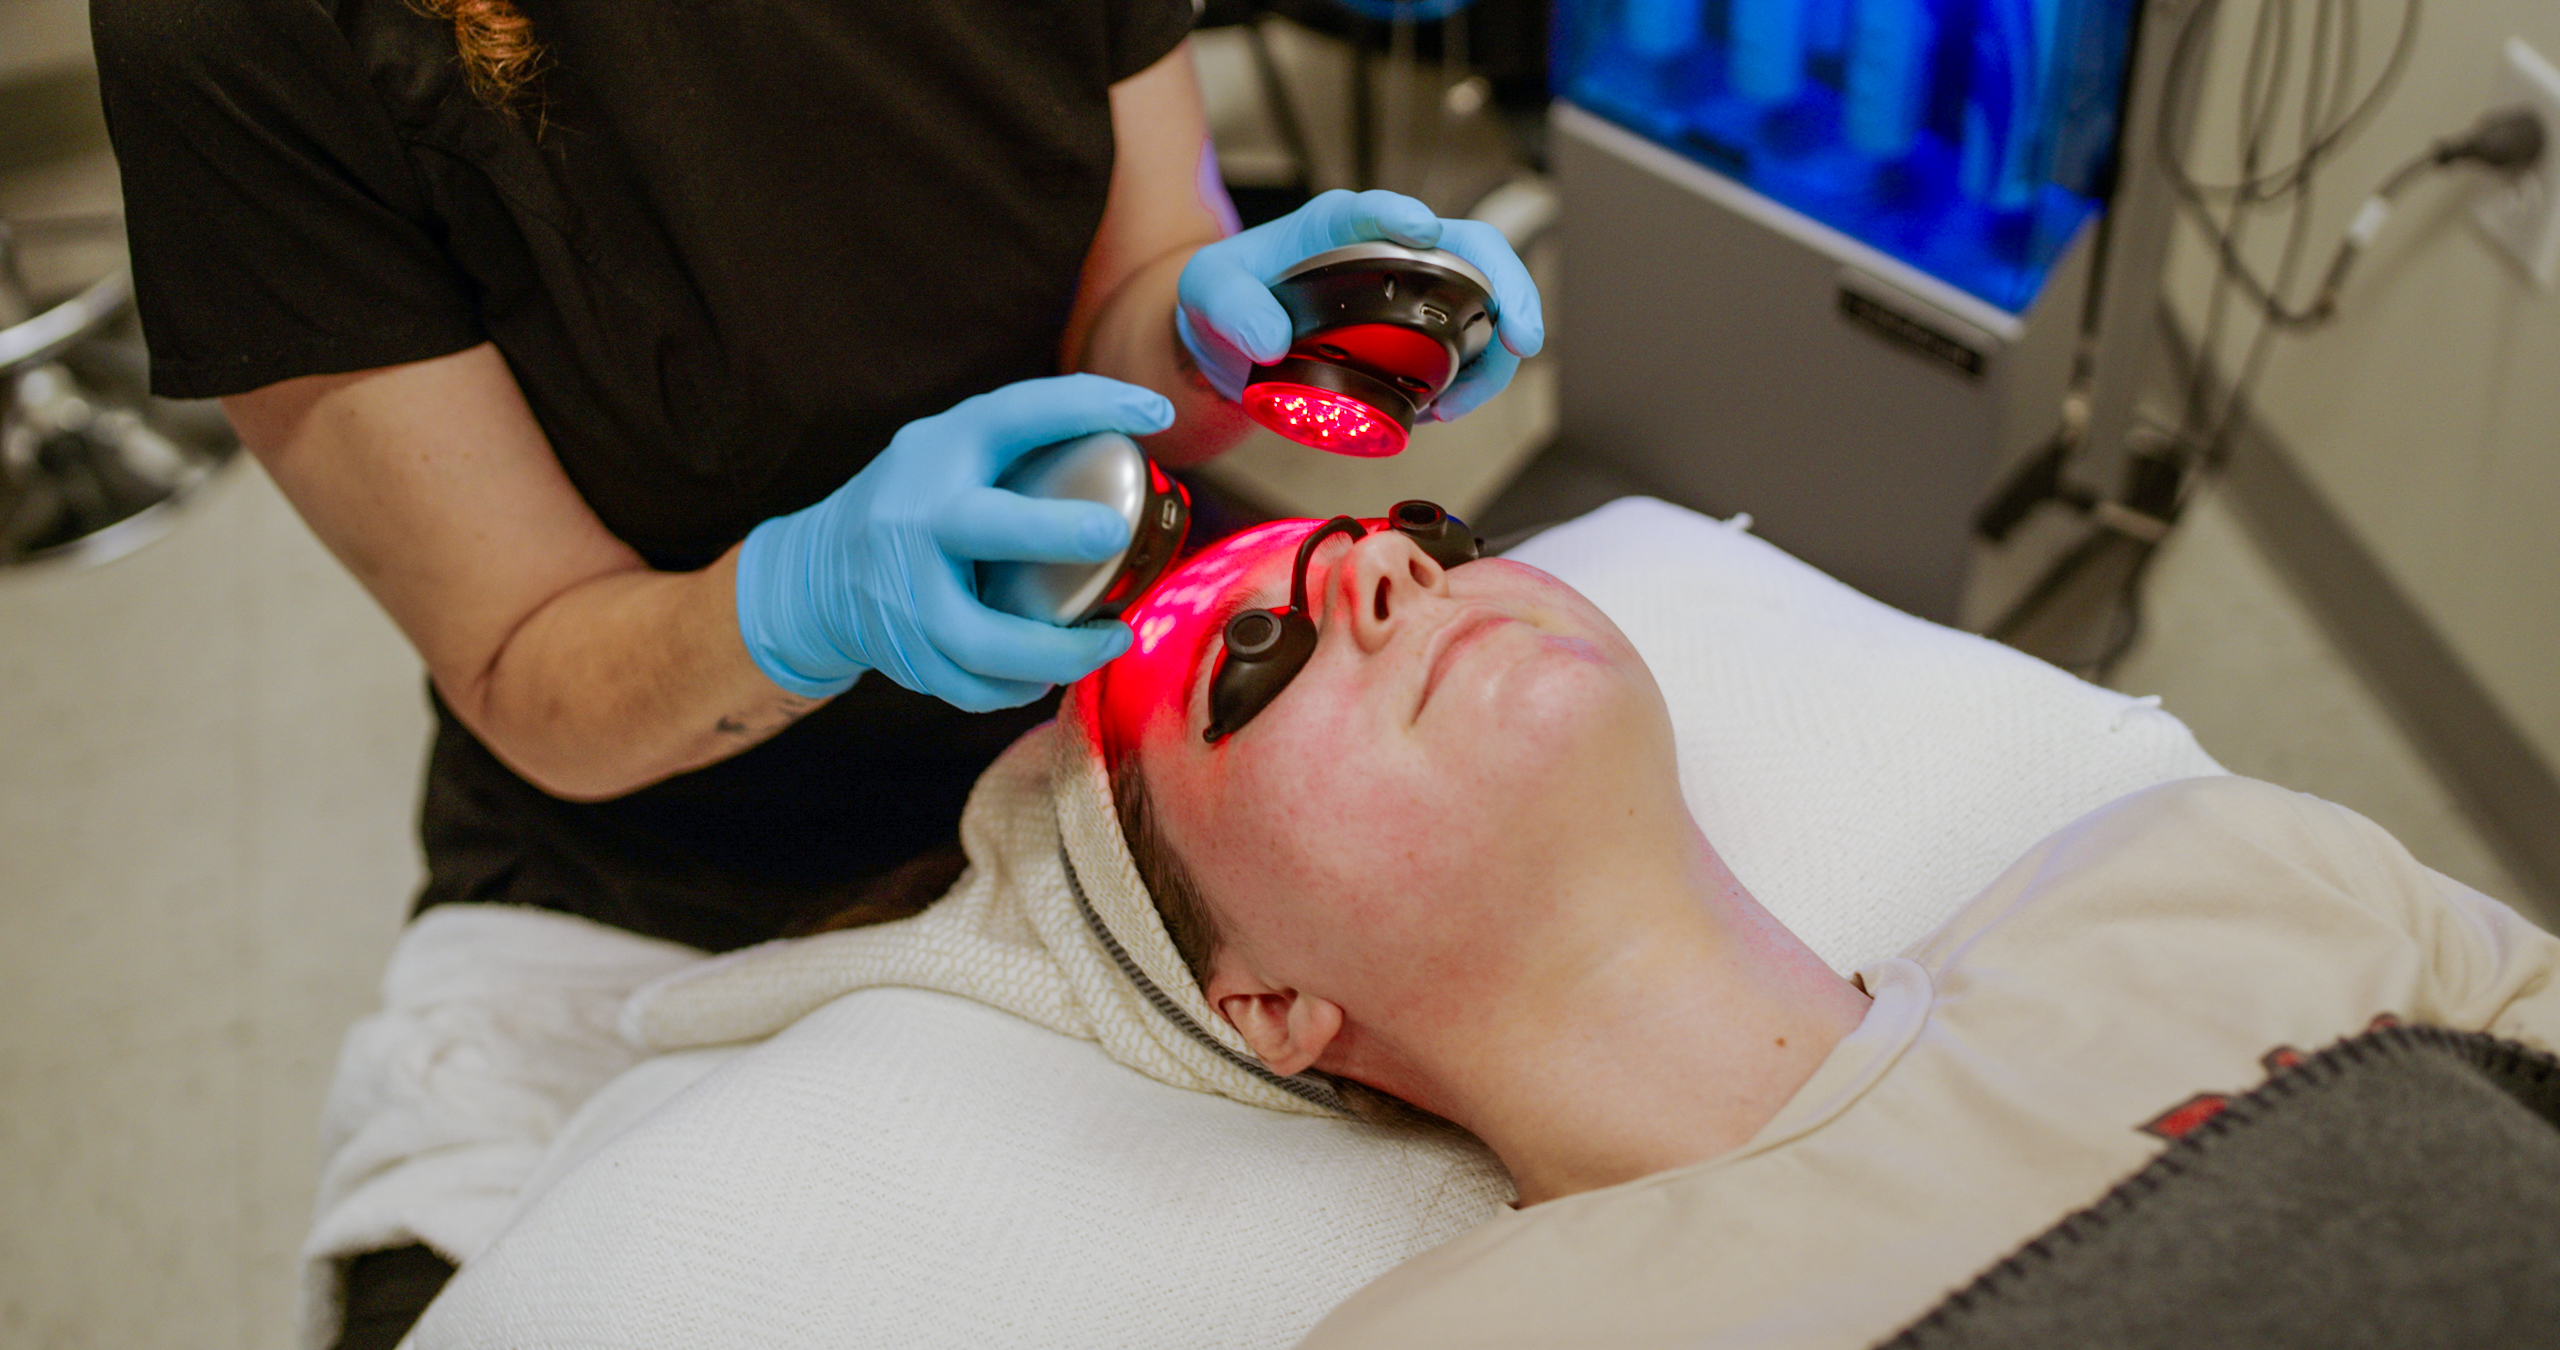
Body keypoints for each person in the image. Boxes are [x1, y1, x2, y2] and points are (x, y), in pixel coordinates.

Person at [86, 0, 1542, 1340]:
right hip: (664, 854)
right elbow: (528, 655)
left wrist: (1211, 331)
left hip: (1115, 726)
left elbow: (1135, 316)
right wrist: (795, 604)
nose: (1386, 574)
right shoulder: (242, 31)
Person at [1086, 515, 2560, 1348]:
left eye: (1430, 533)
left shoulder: (2212, 860)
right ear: (1263, 1002)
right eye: (1252, 655)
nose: (1389, 570)